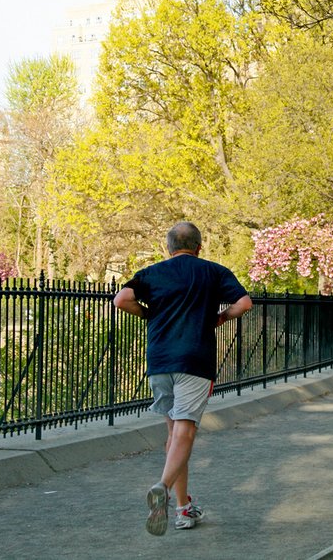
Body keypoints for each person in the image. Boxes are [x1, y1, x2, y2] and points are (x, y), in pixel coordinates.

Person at [113, 222, 253, 536]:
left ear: (168, 247)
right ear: (199, 247)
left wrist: (149, 314)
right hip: (195, 359)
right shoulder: (213, 272)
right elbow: (244, 303)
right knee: (185, 433)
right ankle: (162, 487)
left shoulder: (152, 273)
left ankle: (183, 509)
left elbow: (121, 300)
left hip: (160, 360)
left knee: (174, 436)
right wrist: (221, 318)